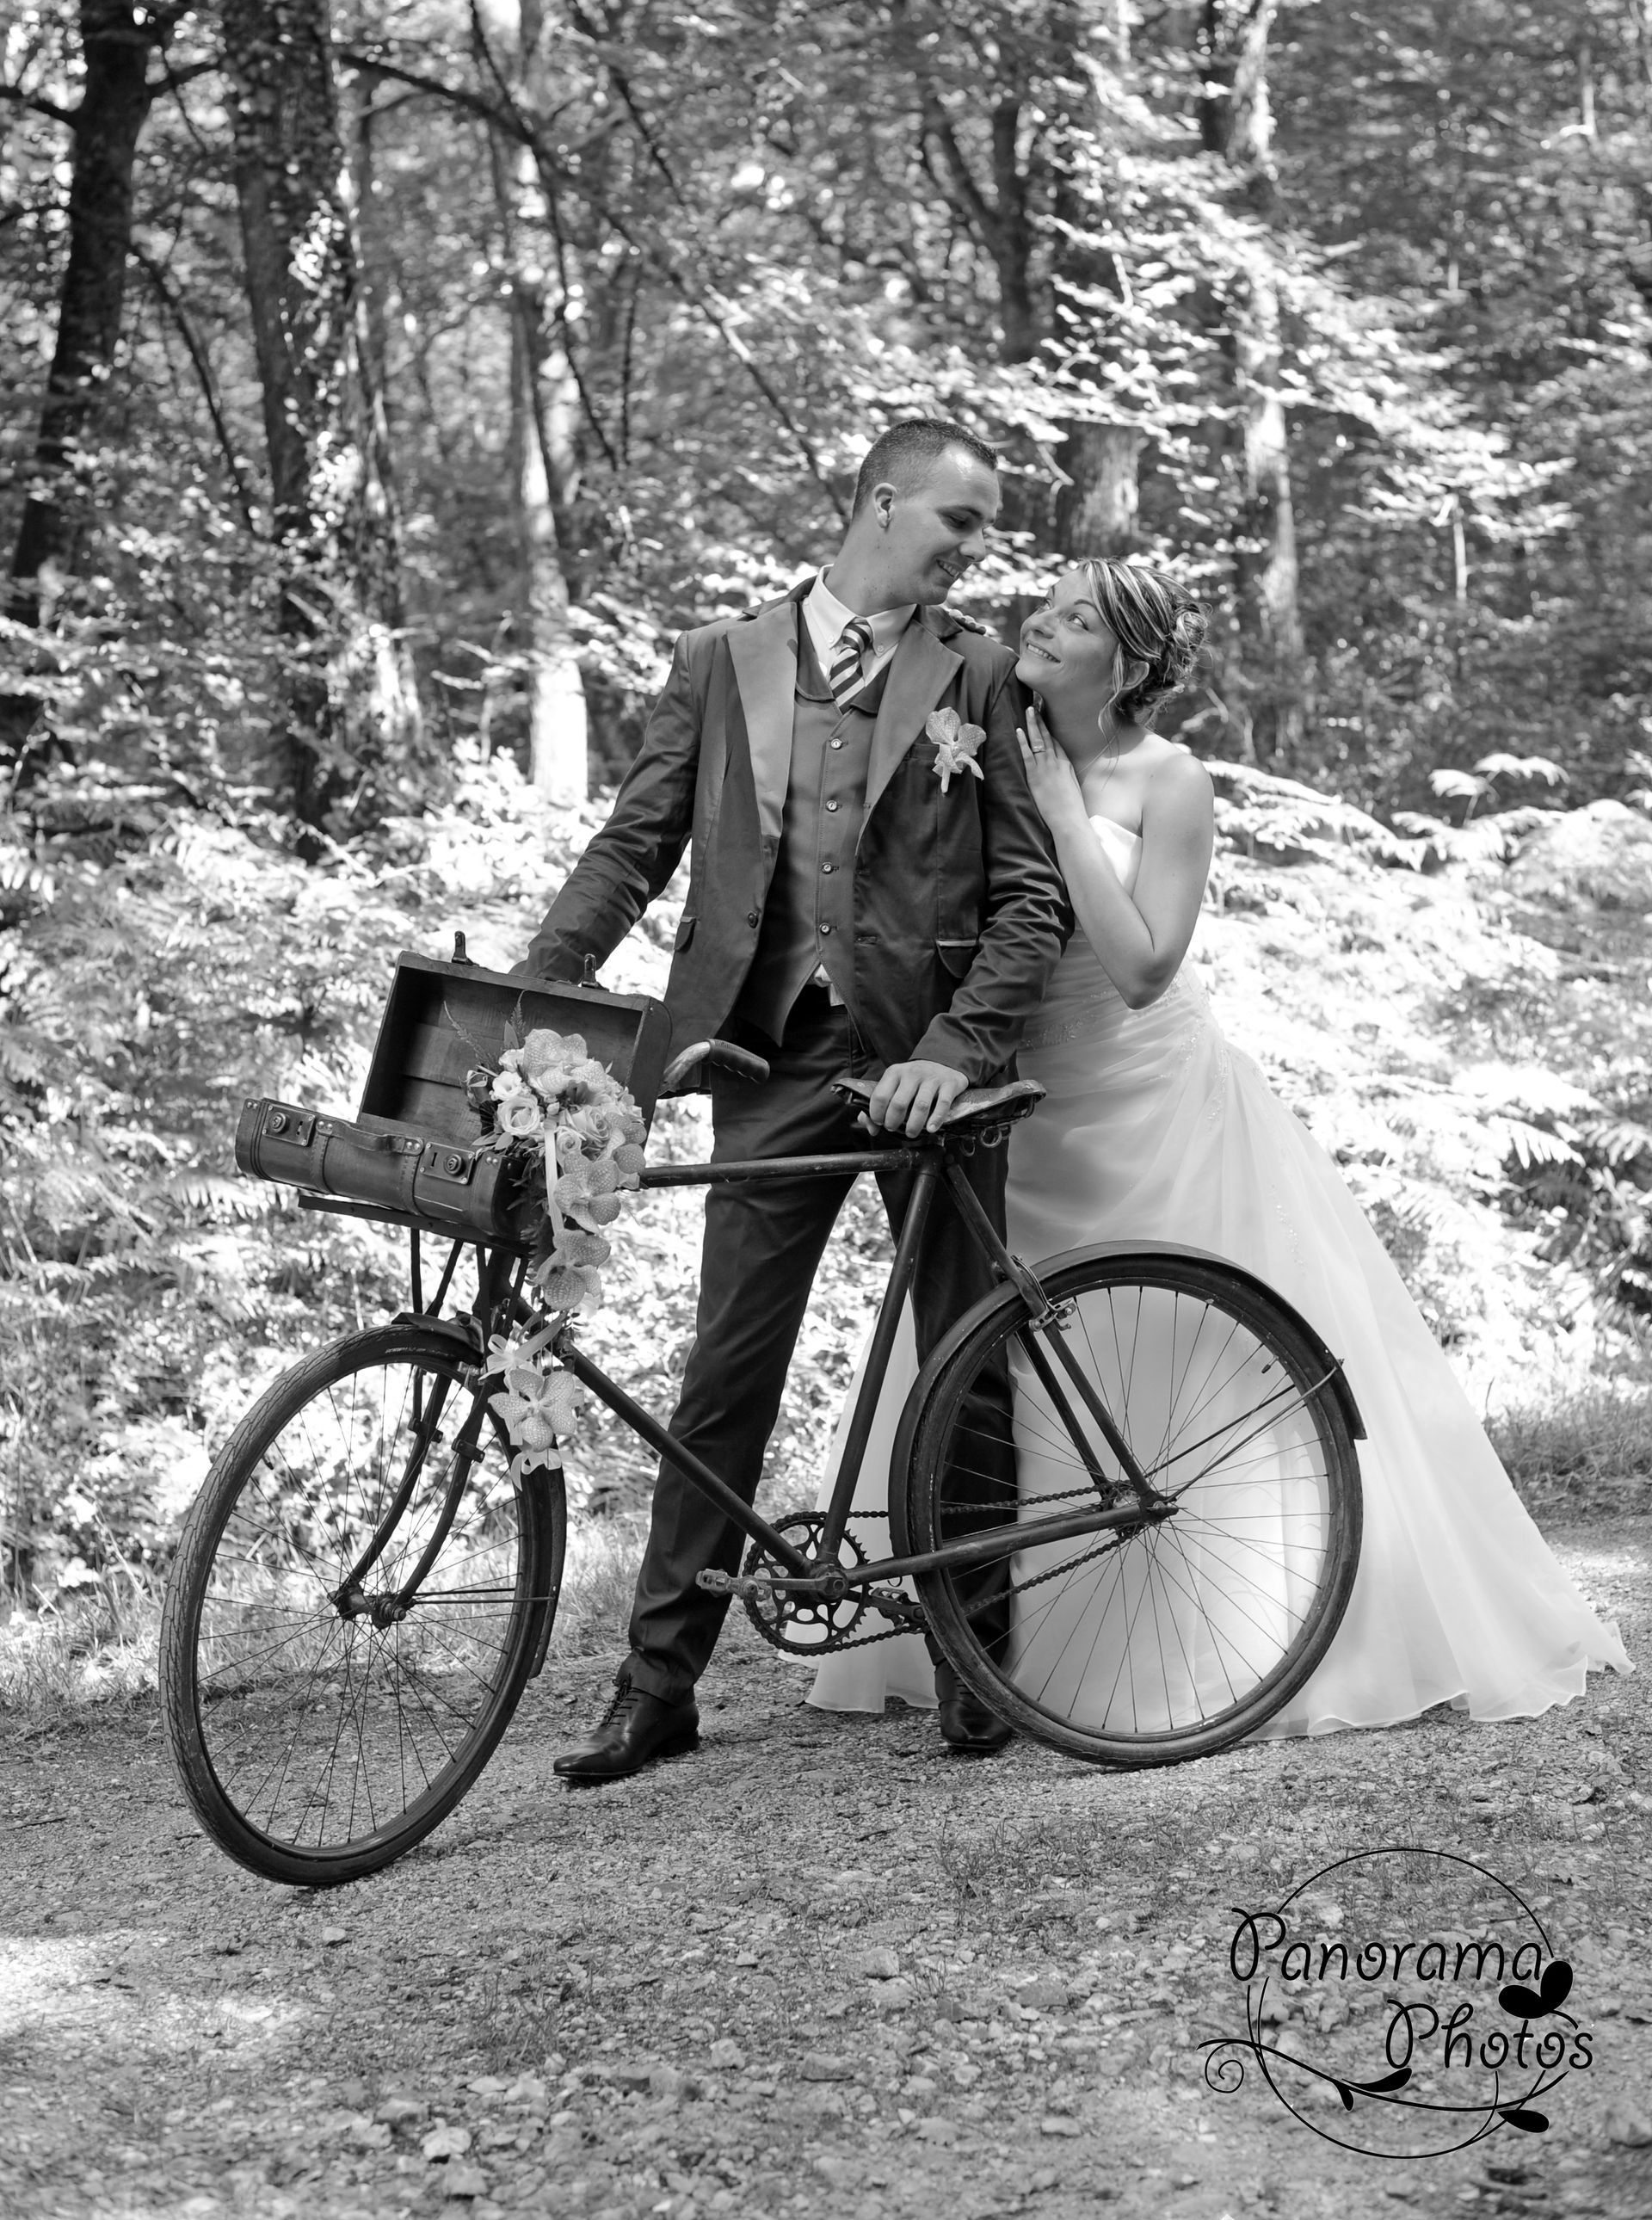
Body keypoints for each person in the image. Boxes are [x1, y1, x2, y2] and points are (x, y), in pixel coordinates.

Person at [809, 557, 1630, 1734]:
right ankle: (994, 1633)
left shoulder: (1168, 779)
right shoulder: (978, 733)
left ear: (1130, 663)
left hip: (1149, 1100)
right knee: (1001, 1363)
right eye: (1049, 603)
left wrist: (1056, 811)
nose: (1042, 621)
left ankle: (1209, 1642)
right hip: (1013, 1105)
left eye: (1078, 617)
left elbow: (1144, 966)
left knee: (1183, 1360)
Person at [517, 417, 1069, 1781]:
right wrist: (542, 990)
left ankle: (976, 1661)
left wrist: (956, 1044)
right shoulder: (717, 662)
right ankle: (658, 1688)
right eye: (963, 522)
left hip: (929, 1071)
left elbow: (1030, 898)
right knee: (726, 1375)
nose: (977, 550)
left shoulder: (978, 671)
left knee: (967, 1355)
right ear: (885, 504)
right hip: (763, 1066)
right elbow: (634, 846)